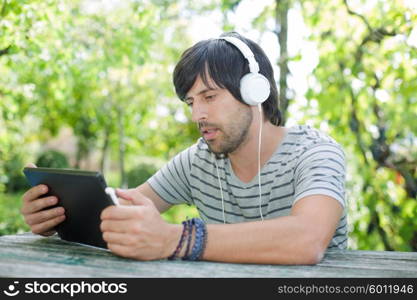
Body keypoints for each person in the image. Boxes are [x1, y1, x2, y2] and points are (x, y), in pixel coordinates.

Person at [21, 32, 347, 265]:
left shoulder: (315, 152)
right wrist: (61, 213)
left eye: (209, 97)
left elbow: (308, 239)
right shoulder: (198, 160)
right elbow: (123, 209)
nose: (197, 115)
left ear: (254, 93)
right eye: (191, 102)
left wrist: (173, 239)